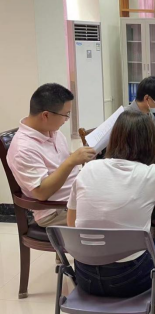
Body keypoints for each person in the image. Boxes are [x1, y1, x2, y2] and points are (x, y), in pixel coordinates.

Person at [68, 110, 155, 298]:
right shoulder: (153, 174)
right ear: (151, 142)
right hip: (130, 278)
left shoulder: (88, 168)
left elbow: (72, 223)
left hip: (85, 276)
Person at [7, 84, 97, 227]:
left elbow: (58, 162)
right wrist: (71, 161)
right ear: (46, 115)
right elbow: (42, 193)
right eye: (65, 114)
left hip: (77, 195)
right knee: (116, 212)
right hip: (55, 210)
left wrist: (80, 156)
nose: (66, 119)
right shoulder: (23, 148)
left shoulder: (53, 131)